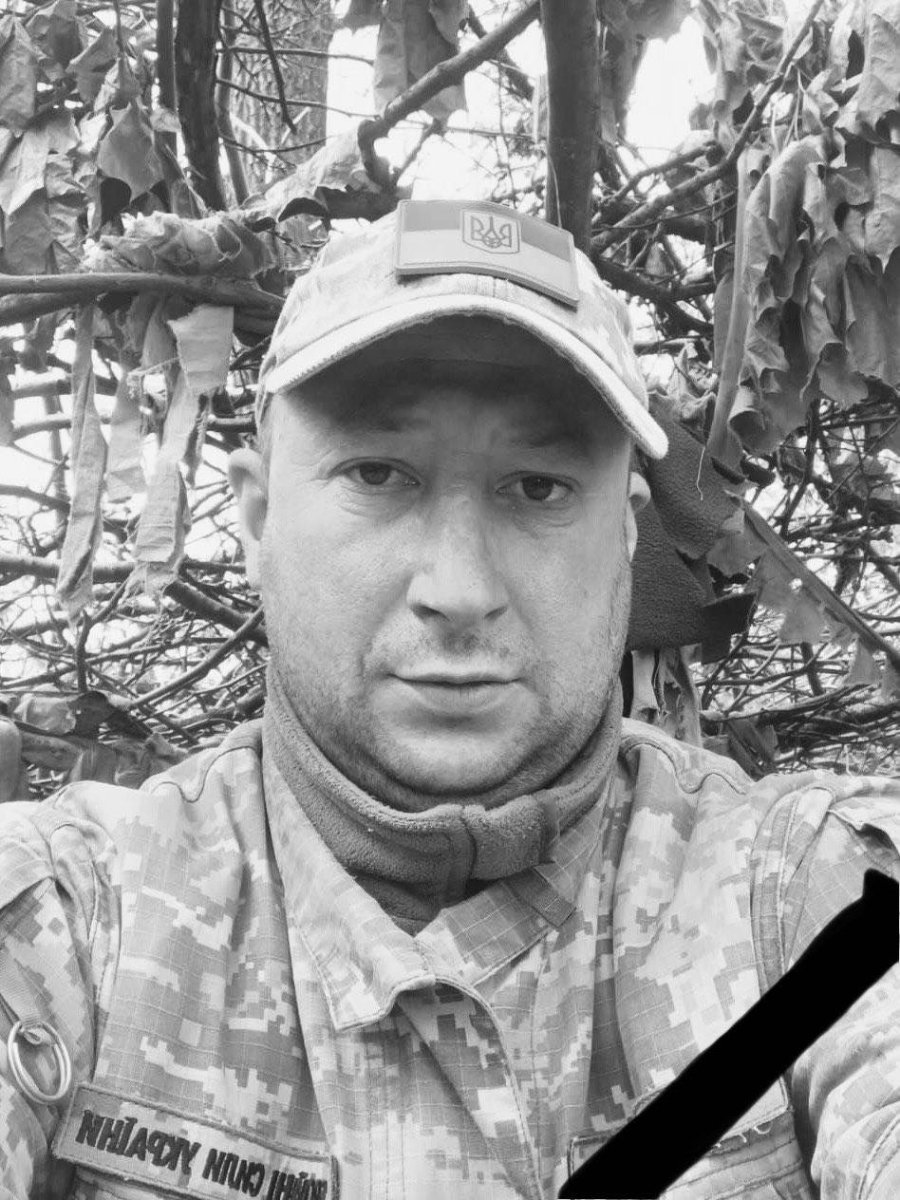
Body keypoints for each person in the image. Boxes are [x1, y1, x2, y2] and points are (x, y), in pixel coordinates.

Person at [0, 198, 897, 1200]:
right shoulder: (71, 920)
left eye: (539, 488)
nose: (460, 591)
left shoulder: (803, 898)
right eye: (378, 474)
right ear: (256, 522)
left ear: (627, 534)